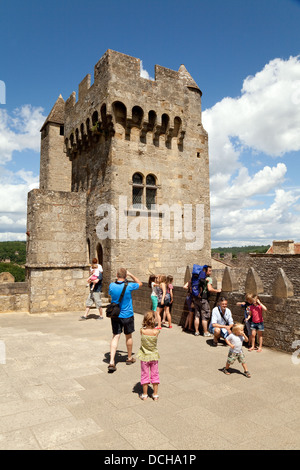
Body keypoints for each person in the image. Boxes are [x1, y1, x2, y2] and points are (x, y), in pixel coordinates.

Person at [107, 268, 142, 372]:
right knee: (128, 336)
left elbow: (110, 293)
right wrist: (131, 275)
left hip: (115, 315)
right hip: (127, 315)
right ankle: (129, 358)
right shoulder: (129, 286)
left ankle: (112, 362)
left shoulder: (111, 285)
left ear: (117, 275)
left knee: (115, 336)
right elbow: (140, 283)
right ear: (125, 276)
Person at [136, 311, 160, 401]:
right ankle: (155, 394)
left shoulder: (142, 331)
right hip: (154, 356)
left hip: (144, 356)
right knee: (155, 374)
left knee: (144, 375)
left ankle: (145, 394)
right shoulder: (156, 332)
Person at [194, 265, 221, 337]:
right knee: (205, 316)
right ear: (205, 271)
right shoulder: (208, 278)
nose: (211, 272)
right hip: (203, 299)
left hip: (196, 298)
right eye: (209, 271)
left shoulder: (196, 278)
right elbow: (210, 289)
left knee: (197, 316)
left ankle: (196, 331)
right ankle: (205, 332)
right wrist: (217, 290)